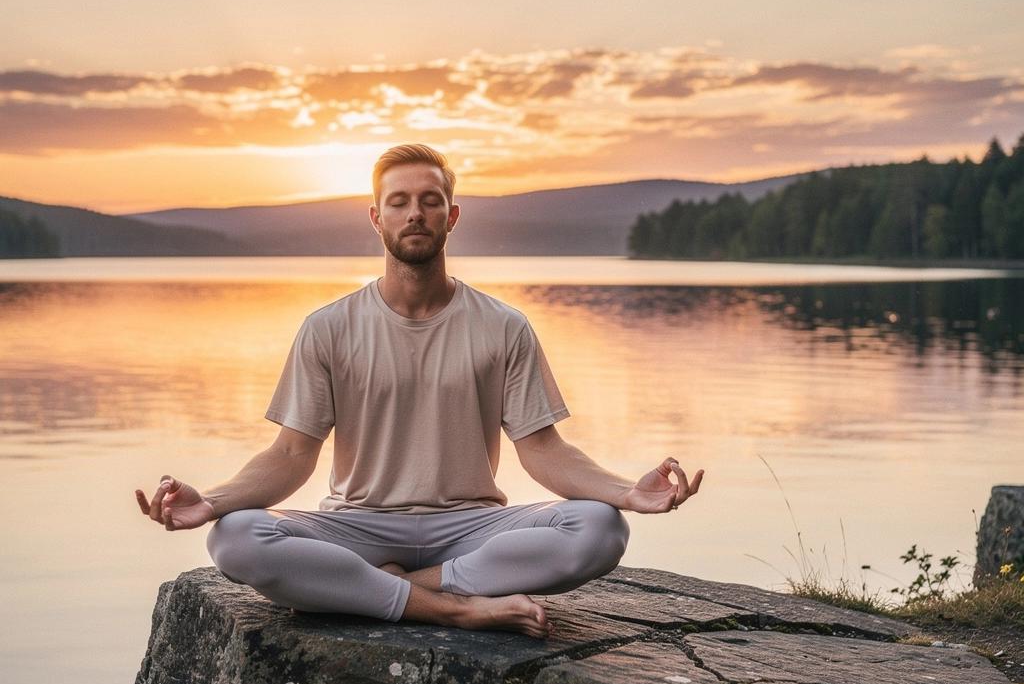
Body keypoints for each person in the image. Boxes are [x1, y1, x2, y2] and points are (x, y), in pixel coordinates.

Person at [135, 144, 703, 639]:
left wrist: (627, 492)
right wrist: (211, 502)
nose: (415, 213)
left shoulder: (503, 326)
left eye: (430, 200)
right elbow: (290, 456)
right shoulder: (328, 328)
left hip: (471, 526)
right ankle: (451, 609)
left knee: (601, 529)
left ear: (452, 216)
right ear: (375, 217)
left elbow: (544, 451)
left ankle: (402, 590)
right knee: (234, 538)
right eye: (399, 201)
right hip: (357, 523)